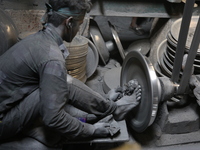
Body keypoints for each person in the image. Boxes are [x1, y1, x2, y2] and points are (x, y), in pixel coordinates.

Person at [0, 0, 141, 148]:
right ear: (69, 23)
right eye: (79, 25)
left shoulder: (37, 40)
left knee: (61, 82)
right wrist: (91, 130)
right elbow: (53, 118)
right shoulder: (52, 58)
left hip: (8, 106)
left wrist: (103, 102)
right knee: (50, 132)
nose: (78, 29)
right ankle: (111, 109)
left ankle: (109, 107)